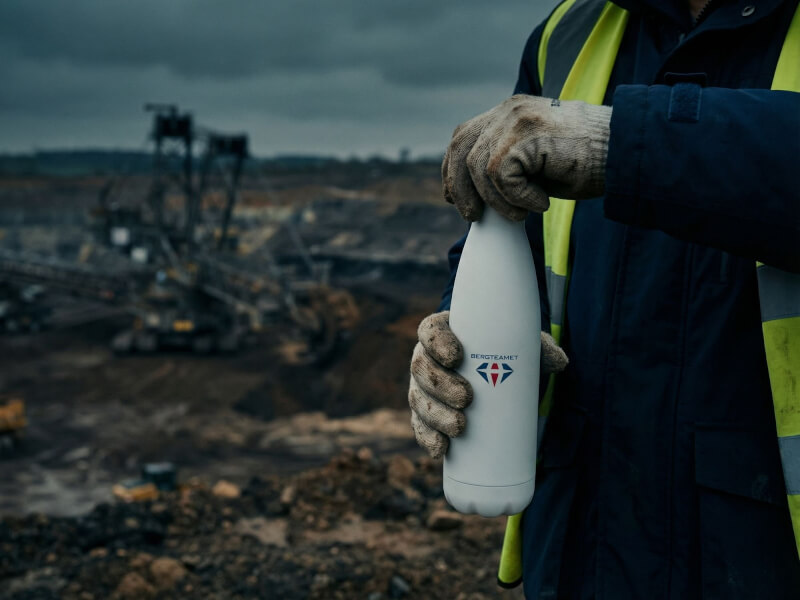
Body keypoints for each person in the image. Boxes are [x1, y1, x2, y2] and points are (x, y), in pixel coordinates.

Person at [407, 0, 800, 598]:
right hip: (583, 549)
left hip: (763, 559)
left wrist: (632, 145)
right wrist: (458, 340)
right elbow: (513, 242)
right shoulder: (569, 34)